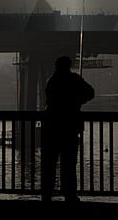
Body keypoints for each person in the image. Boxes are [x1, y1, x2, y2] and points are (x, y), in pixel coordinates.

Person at [42, 55, 94, 202]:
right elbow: (91, 92)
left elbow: (50, 100)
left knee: (49, 163)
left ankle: (47, 194)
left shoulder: (51, 81)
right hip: (70, 126)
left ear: (56, 66)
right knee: (69, 163)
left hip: (51, 126)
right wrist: (78, 101)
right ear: (69, 65)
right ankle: (70, 194)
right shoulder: (75, 79)